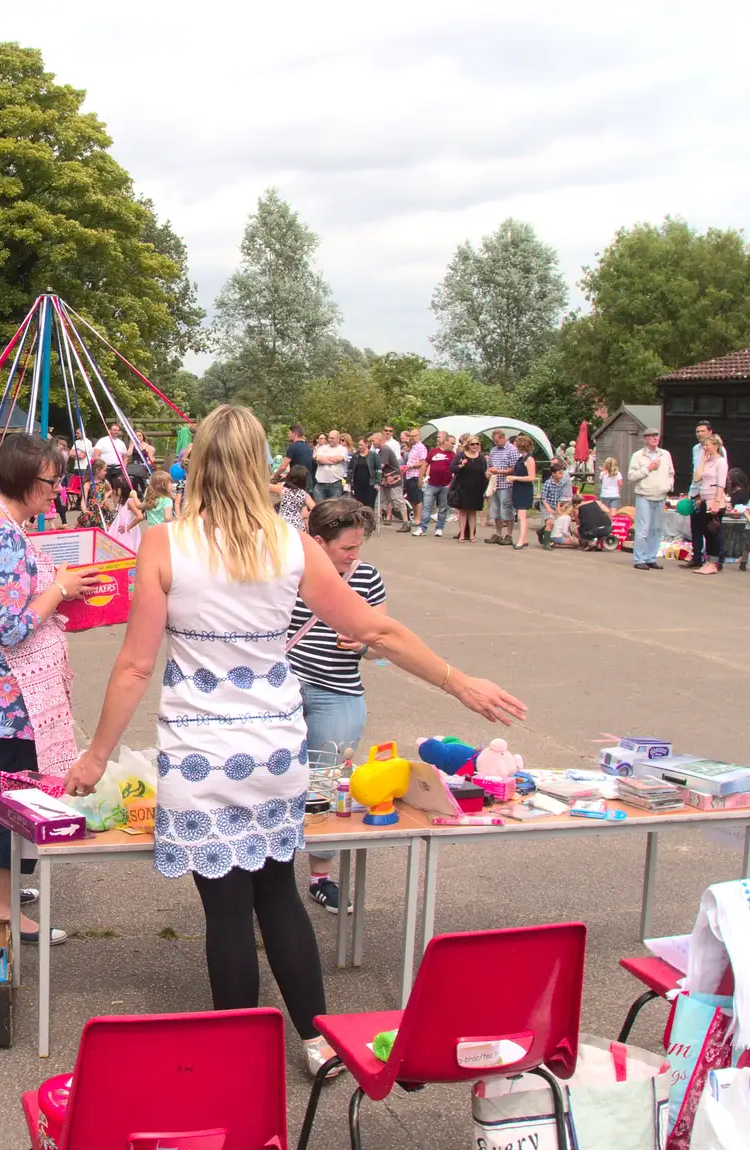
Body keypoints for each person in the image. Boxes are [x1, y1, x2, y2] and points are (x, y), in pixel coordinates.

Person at [61, 405, 525, 1074]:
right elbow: (377, 630)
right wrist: (458, 681)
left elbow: (135, 665)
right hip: (277, 753)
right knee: (278, 893)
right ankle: (317, 1041)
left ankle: (238, 1055)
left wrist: (97, 753)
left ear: (197, 465)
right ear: (259, 465)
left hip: (203, 756)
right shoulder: (293, 545)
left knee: (226, 911)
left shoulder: (165, 543)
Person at [0, 433, 101, 943]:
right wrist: (61, 588)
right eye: (50, 479)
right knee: (12, 800)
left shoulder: (3, 526)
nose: (57, 489)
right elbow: (14, 626)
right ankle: (1, 910)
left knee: (10, 792)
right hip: (8, 694)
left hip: (6, 691)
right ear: (23, 479)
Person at [287, 498, 385, 913]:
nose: (355, 556)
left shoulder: (367, 578)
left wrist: (362, 642)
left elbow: (380, 634)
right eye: (347, 547)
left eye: (359, 546)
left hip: (339, 690)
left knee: (326, 786)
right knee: (271, 781)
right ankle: (266, 880)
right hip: (285, 690)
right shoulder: (288, 574)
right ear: (318, 542)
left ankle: (320, 878)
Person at [628, 427, 674, 571]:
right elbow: (631, 476)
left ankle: (651, 557)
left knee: (656, 528)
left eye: (657, 435)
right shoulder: (638, 455)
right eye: (651, 436)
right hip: (644, 495)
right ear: (645, 439)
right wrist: (648, 468)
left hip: (660, 495)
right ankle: (639, 558)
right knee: (643, 528)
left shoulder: (665, 454)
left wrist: (668, 486)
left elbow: (671, 472)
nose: (655, 438)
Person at [691, 436, 728, 575]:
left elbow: (721, 484)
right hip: (705, 499)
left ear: (715, 446)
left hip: (714, 499)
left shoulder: (720, 462)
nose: (705, 448)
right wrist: (703, 461)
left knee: (713, 532)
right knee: (706, 532)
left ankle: (714, 563)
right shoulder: (708, 462)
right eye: (704, 446)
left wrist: (717, 502)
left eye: (707, 445)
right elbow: (697, 478)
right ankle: (708, 561)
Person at [415, 433, 455, 537]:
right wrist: (420, 478)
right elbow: (425, 464)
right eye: (451, 443)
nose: (453, 446)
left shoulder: (453, 455)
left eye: (454, 444)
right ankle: (422, 528)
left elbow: (456, 469)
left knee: (442, 508)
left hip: (445, 485)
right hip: (432, 484)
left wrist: (451, 484)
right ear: (445, 441)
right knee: (427, 507)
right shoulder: (434, 451)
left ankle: (439, 528)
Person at [448, 437, 488, 542]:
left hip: (477, 489)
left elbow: (484, 473)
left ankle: (471, 535)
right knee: (463, 512)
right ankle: (462, 534)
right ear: (468, 445)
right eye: (472, 444)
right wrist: (461, 465)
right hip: (463, 487)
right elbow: (452, 468)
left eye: (477, 444)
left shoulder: (482, 458)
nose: (475, 446)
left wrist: (486, 485)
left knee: (472, 512)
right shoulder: (461, 455)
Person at [484, 429, 521, 545]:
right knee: (495, 510)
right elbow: (489, 466)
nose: (496, 443)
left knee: (507, 509)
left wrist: (499, 471)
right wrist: (488, 472)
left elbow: (514, 468)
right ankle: (498, 533)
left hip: (506, 484)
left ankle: (509, 535)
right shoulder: (493, 450)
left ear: (503, 438)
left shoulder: (512, 450)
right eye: (494, 441)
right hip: (495, 484)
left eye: (497, 441)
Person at [508, 435, 537, 549]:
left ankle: (521, 540)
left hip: (525, 490)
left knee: (522, 516)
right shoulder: (522, 458)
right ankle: (524, 539)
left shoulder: (529, 459)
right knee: (520, 515)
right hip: (518, 488)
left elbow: (532, 477)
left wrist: (515, 478)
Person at [373, 431, 403, 526]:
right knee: (379, 500)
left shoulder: (385, 449)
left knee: (397, 501)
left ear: (380, 440)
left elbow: (381, 465)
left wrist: (371, 470)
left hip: (394, 479)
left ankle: (406, 522)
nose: (372, 443)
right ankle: (374, 522)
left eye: (373, 441)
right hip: (385, 480)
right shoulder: (381, 450)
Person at [271, 464, 313, 532]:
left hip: (283, 524)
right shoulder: (304, 495)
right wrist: (305, 516)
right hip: (298, 527)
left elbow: (266, 486)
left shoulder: (282, 489)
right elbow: (315, 509)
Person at [107, 474, 142, 551]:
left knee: (127, 548)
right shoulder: (122, 501)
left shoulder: (130, 502)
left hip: (127, 531)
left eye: (117, 489)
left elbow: (140, 516)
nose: (115, 491)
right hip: (120, 530)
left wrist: (128, 527)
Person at [400, 429, 427, 531]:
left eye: (414, 436)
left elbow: (424, 462)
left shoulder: (421, 447)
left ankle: (418, 519)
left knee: (418, 498)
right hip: (409, 475)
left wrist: (412, 466)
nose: (412, 438)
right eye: (410, 436)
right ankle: (415, 518)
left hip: (416, 474)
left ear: (419, 436)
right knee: (412, 499)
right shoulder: (413, 447)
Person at [312, 432, 348, 502]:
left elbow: (338, 459)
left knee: (333, 509)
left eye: (332, 438)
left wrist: (324, 458)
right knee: (319, 508)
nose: (330, 440)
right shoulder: (322, 448)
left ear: (338, 439)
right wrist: (333, 459)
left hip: (335, 484)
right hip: (320, 484)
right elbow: (318, 459)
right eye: (329, 438)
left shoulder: (343, 449)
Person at [538, 460, 573, 526]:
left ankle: (542, 532)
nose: (561, 475)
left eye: (561, 473)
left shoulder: (560, 482)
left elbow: (558, 497)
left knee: (558, 522)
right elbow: (543, 497)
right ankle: (545, 534)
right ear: (553, 473)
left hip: (563, 500)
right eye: (560, 473)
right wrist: (548, 507)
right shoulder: (548, 483)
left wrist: (558, 508)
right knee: (550, 522)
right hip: (546, 505)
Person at [349, 438, 377, 511]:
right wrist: (349, 481)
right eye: (358, 445)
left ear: (366, 444)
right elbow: (350, 468)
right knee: (359, 503)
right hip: (357, 484)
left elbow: (378, 469)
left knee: (369, 504)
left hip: (370, 483)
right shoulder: (355, 455)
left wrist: (378, 482)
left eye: (361, 445)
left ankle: (369, 520)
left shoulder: (373, 455)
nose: (359, 446)